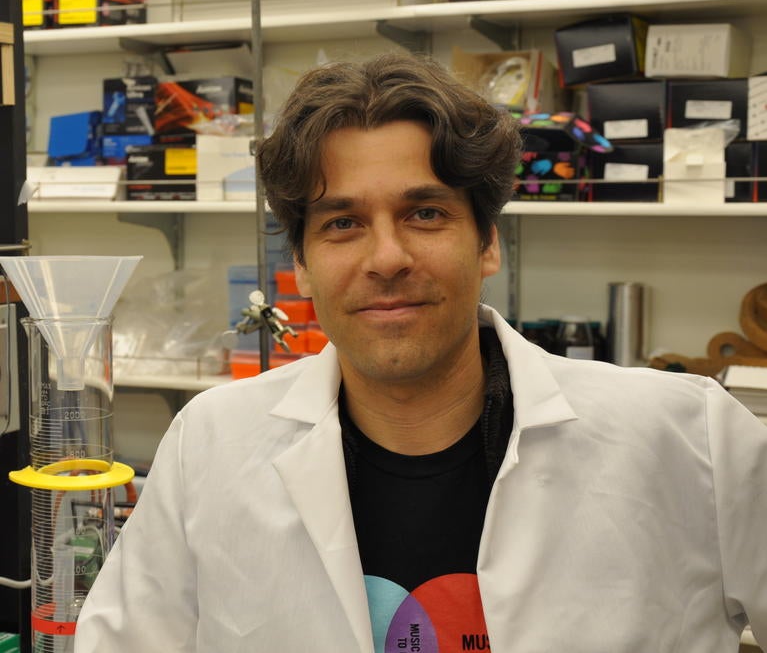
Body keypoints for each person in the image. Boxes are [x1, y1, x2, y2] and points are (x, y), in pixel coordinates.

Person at [74, 52, 767, 653]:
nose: (387, 257)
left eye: (425, 213)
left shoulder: (689, 439)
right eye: (343, 223)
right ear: (302, 266)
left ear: (487, 242)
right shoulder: (210, 444)